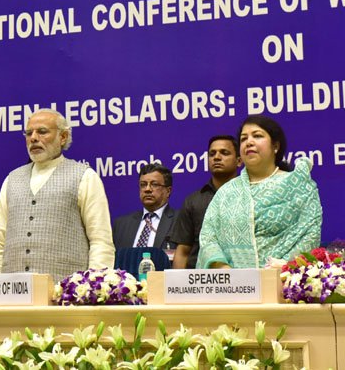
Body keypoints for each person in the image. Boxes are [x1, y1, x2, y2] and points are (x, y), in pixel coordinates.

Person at [0, 109, 115, 280]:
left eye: (42, 132)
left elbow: (100, 240)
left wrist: (95, 286)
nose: (33, 138)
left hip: (65, 296)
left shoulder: (84, 176)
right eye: (28, 133)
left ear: (63, 137)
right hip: (13, 294)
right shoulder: (12, 179)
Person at [198, 115, 322, 269]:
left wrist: (283, 268)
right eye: (243, 139)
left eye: (257, 136)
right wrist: (226, 271)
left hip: (284, 284)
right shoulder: (226, 192)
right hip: (232, 287)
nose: (249, 142)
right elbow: (208, 238)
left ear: (275, 146)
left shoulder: (297, 185)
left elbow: (310, 234)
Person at [172, 136, 240, 269]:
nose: (217, 157)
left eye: (224, 153)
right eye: (212, 154)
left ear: (239, 161)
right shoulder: (193, 201)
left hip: (241, 279)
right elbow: (183, 251)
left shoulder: (249, 197)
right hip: (199, 282)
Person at [112, 163, 176, 252]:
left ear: (168, 191)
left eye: (154, 184)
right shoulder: (121, 225)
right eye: (143, 184)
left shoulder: (179, 221)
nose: (147, 189)